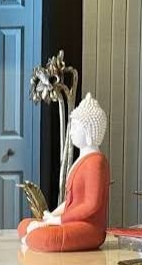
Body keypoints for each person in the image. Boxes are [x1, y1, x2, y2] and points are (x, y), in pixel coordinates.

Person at [19, 93, 110, 252]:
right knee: (24, 225)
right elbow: (70, 201)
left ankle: (37, 236)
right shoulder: (82, 160)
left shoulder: (96, 162)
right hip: (71, 221)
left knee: (44, 237)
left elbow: (91, 205)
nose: (71, 131)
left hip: (89, 228)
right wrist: (50, 216)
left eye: (75, 127)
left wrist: (59, 220)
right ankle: (37, 234)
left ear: (89, 130)